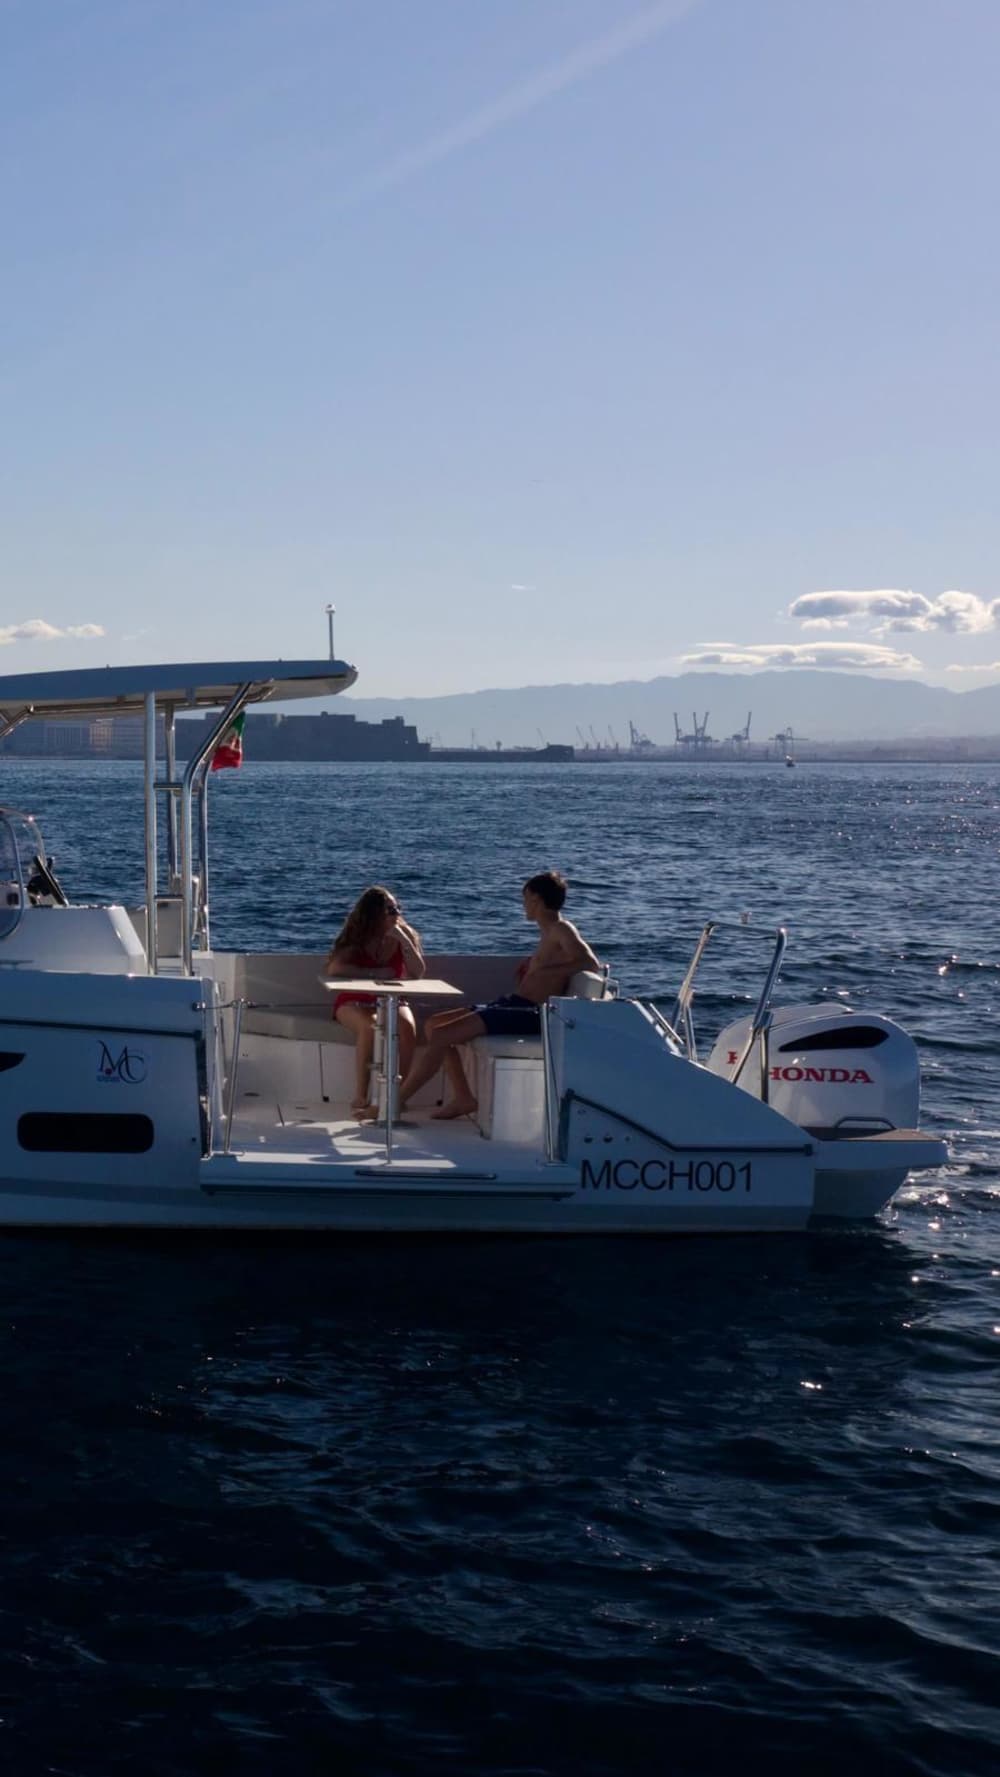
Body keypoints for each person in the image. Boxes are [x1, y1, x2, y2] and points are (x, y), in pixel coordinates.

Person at [398, 870, 600, 1121]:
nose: (523, 905)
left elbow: (590, 963)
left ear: (536, 899)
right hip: (513, 1005)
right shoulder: (548, 933)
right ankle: (463, 1098)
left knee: (440, 1035)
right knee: (433, 1024)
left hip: (530, 1012)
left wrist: (545, 971)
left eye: (525, 898)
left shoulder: (562, 928)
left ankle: (396, 1102)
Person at [324, 886, 426, 1115]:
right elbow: (335, 968)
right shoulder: (358, 936)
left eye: (398, 908)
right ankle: (361, 1094)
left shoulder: (404, 935)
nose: (397, 914)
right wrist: (374, 973)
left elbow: (418, 972)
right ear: (374, 913)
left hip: (391, 997)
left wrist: (404, 940)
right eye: (391, 910)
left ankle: (397, 1093)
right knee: (369, 1027)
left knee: (407, 1028)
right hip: (355, 998)